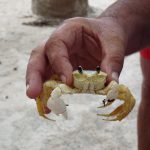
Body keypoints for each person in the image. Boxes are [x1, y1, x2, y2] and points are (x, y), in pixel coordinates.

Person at [26, 0, 150, 149]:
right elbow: (47, 88)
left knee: (129, 95)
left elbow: (128, 100)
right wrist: (114, 22)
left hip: (98, 86)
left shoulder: (108, 85)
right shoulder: (69, 81)